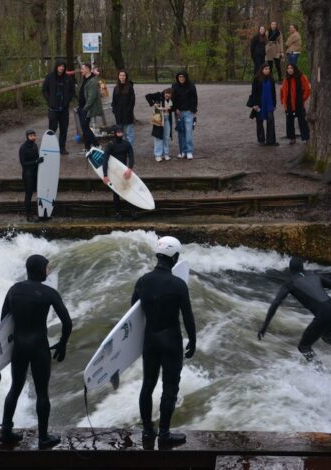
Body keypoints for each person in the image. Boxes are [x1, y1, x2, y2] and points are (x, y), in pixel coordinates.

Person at [0, 254, 72, 449]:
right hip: (39, 347)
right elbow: (67, 322)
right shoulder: (49, 293)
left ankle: (6, 432)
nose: (48, 271)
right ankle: (43, 438)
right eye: (46, 268)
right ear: (40, 269)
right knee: (42, 392)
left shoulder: (14, 290)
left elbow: (3, 324)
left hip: (19, 346)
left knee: (15, 387)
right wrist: (63, 343)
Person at [133, 236, 196, 445]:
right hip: (171, 341)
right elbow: (187, 316)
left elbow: (133, 313)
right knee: (170, 386)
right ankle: (165, 434)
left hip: (150, 339)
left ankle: (147, 431)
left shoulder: (143, 281)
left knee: (147, 385)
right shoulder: (178, 284)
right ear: (175, 257)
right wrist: (193, 340)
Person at [258, 256, 331, 368]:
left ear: (290, 269)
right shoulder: (314, 275)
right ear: (303, 267)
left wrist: (265, 325)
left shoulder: (290, 283)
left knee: (304, 346)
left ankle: (321, 373)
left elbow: (276, 302)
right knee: (328, 337)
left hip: (323, 314)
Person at [102, 125, 136, 220]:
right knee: (116, 192)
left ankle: (132, 211)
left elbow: (132, 157)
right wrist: (105, 175)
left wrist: (130, 168)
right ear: (115, 133)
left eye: (121, 132)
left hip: (124, 171)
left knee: (128, 190)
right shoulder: (110, 145)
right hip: (114, 172)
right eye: (118, 133)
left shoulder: (127, 144)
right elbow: (105, 160)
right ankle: (117, 212)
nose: (120, 134)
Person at [42, 60, 75, 155]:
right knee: (52, 129)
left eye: (63, 66)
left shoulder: (68, 78)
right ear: (57, 66)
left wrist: (68, 100)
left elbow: (72, 91)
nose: (62, 68)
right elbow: (44, 90)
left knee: (64, 129)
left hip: (64, 109)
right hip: (53, 109)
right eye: (60, 66)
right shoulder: (50, 77)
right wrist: (49, 100)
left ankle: (62, 148)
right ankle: (50, 148)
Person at [281, 64, 311, 144]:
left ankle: (306, 137)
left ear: (295, 69)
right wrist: (284, 102)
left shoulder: (301, 77)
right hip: (289, 104)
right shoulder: (286, 79)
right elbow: (283, 92)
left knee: (302, 121)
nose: (289, 70)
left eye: (291, 68)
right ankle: (292, 138)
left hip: (299, 103)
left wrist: (302, 99)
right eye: (288, 68)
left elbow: (307, 89)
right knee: (289, 121)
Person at [250, 64, 278, 146]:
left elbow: (274, 93)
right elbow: (254, 92)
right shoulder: (256, 79)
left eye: (269, 69)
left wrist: (274, 104)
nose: (268, 70)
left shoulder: (271, 79)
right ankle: (261, 140)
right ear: (262, 70)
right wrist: (254, 104)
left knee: (271, 121)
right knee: (259, 121)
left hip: (269, 103)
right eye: (266, 69)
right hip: (260, 104)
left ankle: (271, 140)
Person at [172, 71, 198, 160]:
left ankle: (189, 151)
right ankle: (182, 151)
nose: (181, 78)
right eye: (179, 77)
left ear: (186, 77)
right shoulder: (174, 86)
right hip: (178, 113)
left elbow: (194, 98)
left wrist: (193, 110)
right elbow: (173, 98)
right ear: (177, 78)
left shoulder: (191, 86)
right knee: (180, 132)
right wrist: (175, 108)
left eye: (183, 77)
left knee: (188, 132)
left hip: (188, 112)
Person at [19, 129, 44, 221]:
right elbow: (23, 163)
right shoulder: (23, 148)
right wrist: (36, 161)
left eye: (34, 135)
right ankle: (28, 215)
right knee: (28, 194)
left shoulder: (35, 146)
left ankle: (40, 212)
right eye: (31, 136)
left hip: (36, 173)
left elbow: (37, 157)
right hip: (28, 174)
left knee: (40, 192)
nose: (33, 137)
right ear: (27, 137)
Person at [77, 63, 101, 152]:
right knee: (84, 128)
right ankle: (87, 147)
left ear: (87, 69)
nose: (81, 70)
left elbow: (92, 97)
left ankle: (97, 145)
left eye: (82, 69)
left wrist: (85, 108)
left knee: (85, 128)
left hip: (86, 109)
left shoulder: (92, 81)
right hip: (81, 107)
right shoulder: (84, 79)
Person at [145, 88, 174, 162]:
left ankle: (166, 154)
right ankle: (158, 155)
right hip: (158, 118)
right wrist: (153, 104)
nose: (167, 96)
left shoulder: (172, 98)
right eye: (166, 95)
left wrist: (170, 108)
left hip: (167, 118)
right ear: (164, 93)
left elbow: (173, 107)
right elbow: (147, 96)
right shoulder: (158, 95)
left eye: (169, 96)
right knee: (158, 136)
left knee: (166, 136)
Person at [111, 69, 136, 145]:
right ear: (118, 76)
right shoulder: (116, 88)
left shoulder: (130, 88)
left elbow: (132, 101)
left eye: (124, 75)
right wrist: (114, 110)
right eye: (120, 75)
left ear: (126, 77)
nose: (122, 77)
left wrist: (128, 111)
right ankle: (123, 149)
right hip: (118, 115)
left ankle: (129, 149)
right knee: (121, 134)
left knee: (129, 133)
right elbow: (114, 101)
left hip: (127, 114)